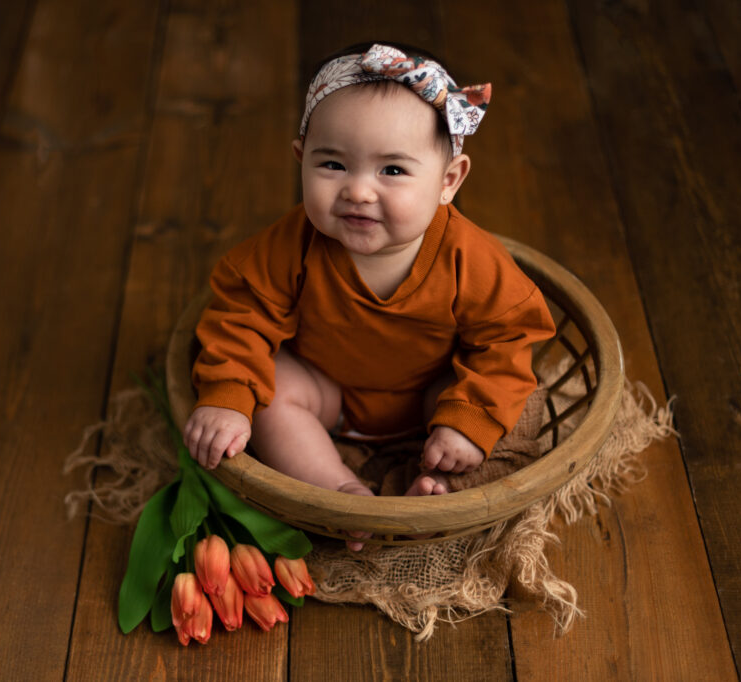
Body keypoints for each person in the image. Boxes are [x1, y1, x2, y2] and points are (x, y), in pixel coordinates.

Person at [182, 43, 555, 545]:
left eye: (393, 171)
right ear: (300, 159)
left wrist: (468, 420)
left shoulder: (473, 260)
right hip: (326, 390)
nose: (358, 191)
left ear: (448, 181)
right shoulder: (290, 245)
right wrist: (227, 395)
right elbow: (240, 314)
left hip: (432, 394)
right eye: (332, 165)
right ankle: (340, 492)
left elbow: (509, 339)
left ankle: (436, 487)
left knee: (515, 404)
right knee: (268, 390)